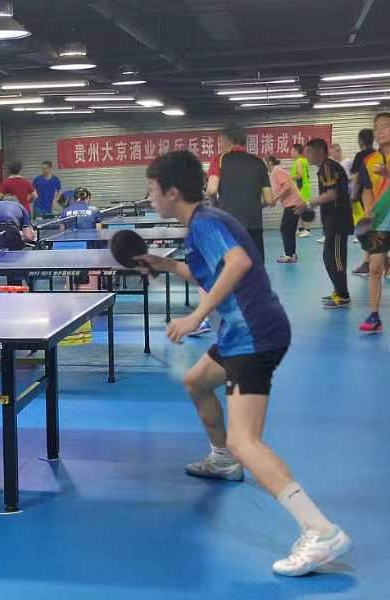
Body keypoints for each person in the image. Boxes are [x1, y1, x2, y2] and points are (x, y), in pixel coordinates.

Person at [137, 150, 350, 577]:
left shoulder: (206, 222)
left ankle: (320, 530)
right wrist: (164, 264)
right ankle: (222, 460)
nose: (149, 196)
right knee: (196, 381)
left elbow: (238, 263)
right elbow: (208, 272)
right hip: (240, 332)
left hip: (254, 336)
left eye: (152, 189)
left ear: (172, 192)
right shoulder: (202, 224)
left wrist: (196, 316)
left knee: (246, 441)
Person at [205, 123, 272, 262]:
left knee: (230, 268)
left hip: (229, 224)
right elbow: (269, 199)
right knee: (256, 267)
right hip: (254, 225)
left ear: (227, 140)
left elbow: (211, 190)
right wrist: (254, 206)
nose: (220, 145)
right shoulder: (259, 162)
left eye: (221, 141)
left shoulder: (219, 159)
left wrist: (216, 206)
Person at [300, 139, 352, 309]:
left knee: (336, 258)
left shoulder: (328, 167)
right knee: (328, 257)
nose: (306, 155)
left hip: (338, 221)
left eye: (308, 151)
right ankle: (338, 290)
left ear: (319, 152)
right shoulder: (325, 168)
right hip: (332, 220)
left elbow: (333, 193)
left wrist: (310, 203)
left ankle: (343, 296)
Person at [356, 113, 390, 334]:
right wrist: (368, 209)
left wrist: (388, 173)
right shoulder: (368, 161)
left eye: (385, 126)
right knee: (375, 267)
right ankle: (375, 316)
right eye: (376, 127)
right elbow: (366, 189)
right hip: (381, 220)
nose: (380, 131)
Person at [266, 156, 304, 263]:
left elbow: (287, 186)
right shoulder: (276, 172)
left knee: (285, 229)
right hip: (293, 203)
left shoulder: (277, 170)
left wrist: (275, 199)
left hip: (293, 203)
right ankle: (291, 254)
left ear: (269, 162)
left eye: (265, 162)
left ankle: (289, 255)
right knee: (288, 230)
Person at [351, 128, 376, 275]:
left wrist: (352, 197)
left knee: (364, 231)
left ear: (360, 141)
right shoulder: (377, 154)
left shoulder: (361, 156)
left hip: (362, 199)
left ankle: (367, 263)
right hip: (378, 197)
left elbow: (356, 179)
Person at [289, 144, 314, 237]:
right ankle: (302, 229)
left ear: (296, 151)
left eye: (292, 150)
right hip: (304, 187)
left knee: (304, 209)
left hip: (302, 188)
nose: (290, 152)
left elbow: (299, 175)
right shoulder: (304, 160)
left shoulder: (299, 161)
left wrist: (289, 177)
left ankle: (307, 230)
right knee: (300, 209)